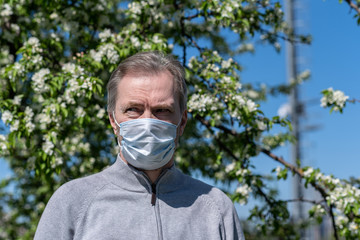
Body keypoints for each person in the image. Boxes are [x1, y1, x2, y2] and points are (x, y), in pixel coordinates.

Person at [34, 51, 244, 240]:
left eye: (162, 110)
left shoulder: (215, 208)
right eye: (133, 109)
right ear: (113, 121)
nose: (147, 122)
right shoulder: (73, 203)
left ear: (182, 122)